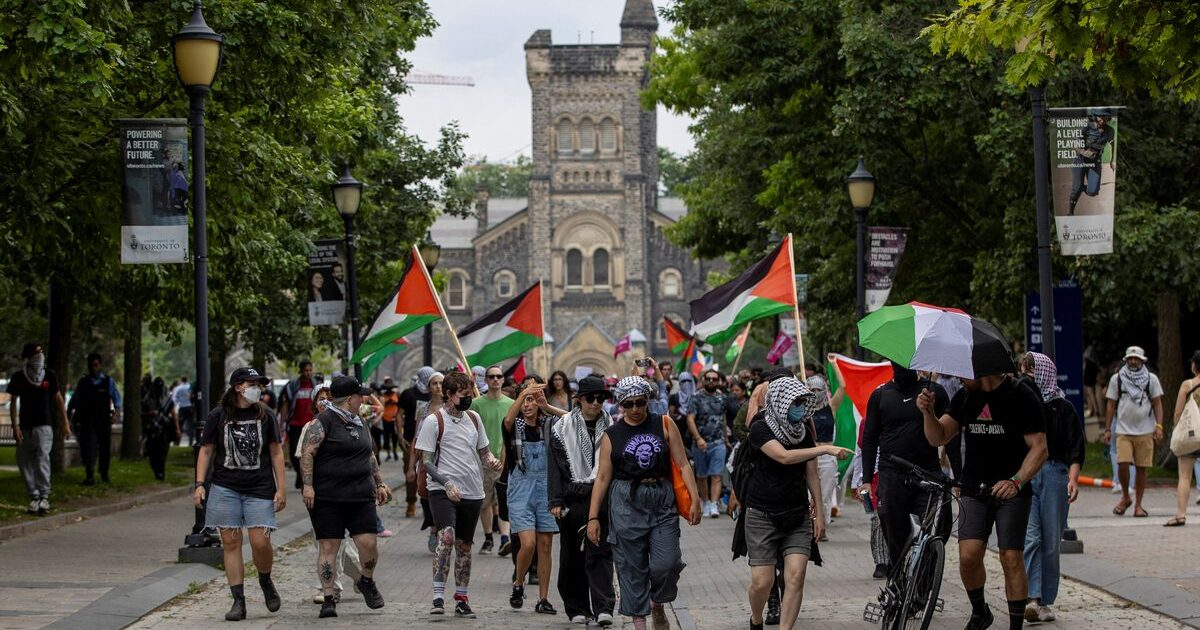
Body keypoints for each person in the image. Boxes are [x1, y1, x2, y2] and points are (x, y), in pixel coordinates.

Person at [917, 371, 1048, 630]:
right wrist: (928, 413)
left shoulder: (1021, 395)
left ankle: (1014, 626)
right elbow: (938, 437)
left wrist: (1016, 481)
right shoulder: (966, 396)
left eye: (963, 371)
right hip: (974, 487)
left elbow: (1040, 448)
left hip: (1012, 489)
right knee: (968, 556)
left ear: (982, 367)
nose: (958, 377)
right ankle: (980, 612)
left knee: (1011, 557)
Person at [588, 376, 702, 630]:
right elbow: (603, 477)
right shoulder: (612, 435)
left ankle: (658, 602)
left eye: (640, 402)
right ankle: (639, 622)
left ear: (647, 400)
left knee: (667, 563)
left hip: (661, 498)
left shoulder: (663, 423)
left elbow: (683, 463)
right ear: (621, 405)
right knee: (630, 567)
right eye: (628, 404)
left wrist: (695, 499)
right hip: (625, 501)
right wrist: (593, 517)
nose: (635, 409)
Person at [741, 377, 850, 630]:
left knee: (796, 576)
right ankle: (756, 620)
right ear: (780, 402)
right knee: (762, 582)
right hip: (761, 514)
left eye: (802, 402)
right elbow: (784, 457)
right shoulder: (760, 428)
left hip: (797, 514)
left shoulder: (802, 431)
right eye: (795, 402)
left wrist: (819, 515)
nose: (799, 408)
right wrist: (825, 449)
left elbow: (811, 473)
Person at [193, 367, 287, 622]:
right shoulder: (218, 416)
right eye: (252, 383)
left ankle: (265, 579)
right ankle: (238, 601)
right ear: (238, 387)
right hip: (226, 487)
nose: (257, 387)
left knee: (260, 542)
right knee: (231, 543)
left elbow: (277, 452)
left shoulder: (265, 414)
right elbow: (206, 450)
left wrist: (281, 488)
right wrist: (200, 484)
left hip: (259, 487)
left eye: (259, 383)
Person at [299, 375, 389, 619]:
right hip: (328, 497)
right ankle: (328, 598)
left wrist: (379, 482)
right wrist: (308, 486)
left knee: (369, 544)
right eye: (361, 396)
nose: (363, 399)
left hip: (361, 495)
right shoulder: (323, 422)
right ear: (350, 399)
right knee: (329, 547)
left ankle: (366, 581)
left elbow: (369, 455)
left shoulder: (360, 422)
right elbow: (308, 454)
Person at [415, 370, 503, 618]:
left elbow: (484, 453)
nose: (468, 399)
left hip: (472, 490)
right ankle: (438, 595)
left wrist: (493, 461)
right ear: (450, 394)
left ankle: (462, 598)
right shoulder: (434, 421)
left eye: (470, 394)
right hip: (442, 490)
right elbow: (427, 461)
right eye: (463, 394)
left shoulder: (474, 418)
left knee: (464, 546)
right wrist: (446, 482)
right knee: (447, 538)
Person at [858, 363, 952, 571]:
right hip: (891, 473)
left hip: (927, 471)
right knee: (892, 525)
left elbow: (949, 435)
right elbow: (870, 438)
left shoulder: (934, 393)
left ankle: (925, 573)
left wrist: (958, 476)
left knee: (938, 526)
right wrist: (866, 479)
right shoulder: (880, 395)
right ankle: (898, 575)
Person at [1017, 352, 1085, 623]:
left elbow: (1075, 448)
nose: (1029, 378)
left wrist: (1073, 478)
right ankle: (1031, 598)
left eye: (1032, 373)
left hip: (1056, 474)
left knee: (1051, 541)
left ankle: (1045, 600)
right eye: (1025, 372)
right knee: (1031, 537)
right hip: (1027, 474)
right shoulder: (1023, 405)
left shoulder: (1063, 407)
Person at [548, 375, 616, 626]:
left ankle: (603, 607)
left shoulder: (611, 425)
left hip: (602, 496)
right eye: (591, 398)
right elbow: (554, 466)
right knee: (572, 555)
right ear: (579, 400)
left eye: (601, 398)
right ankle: (576, 607)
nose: (596, 404)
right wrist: (555, 499)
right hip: (572, 497)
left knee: (600, 551)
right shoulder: (561, 426)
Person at [503, 382, 566, 614]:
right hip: (521, 489)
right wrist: (523, 394)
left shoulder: (550, 424)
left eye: (531, 400)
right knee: (528, 543)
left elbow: (573, 420)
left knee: (545, 546)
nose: (527, 405)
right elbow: (508, 420)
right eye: (524, 401)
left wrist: (546, 406)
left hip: (546, 489)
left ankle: (543, 599)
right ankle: (518, 583)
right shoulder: (514, 426)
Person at [7, 343, 70, 515]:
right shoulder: (19, 377)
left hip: (44, 426)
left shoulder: (49, 375)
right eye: (37, 353)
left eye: (42, 352)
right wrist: (15, 426)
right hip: (26, 426)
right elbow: (13, 403)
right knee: (24, 460)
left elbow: (58, 399)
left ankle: (44, 496)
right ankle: (33, 495)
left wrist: (65, 422)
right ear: (28, 356)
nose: (40, 356)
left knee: (42, 459)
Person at [1104, 346, 1164, 517]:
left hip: (1145, 430)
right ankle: (1125, 496)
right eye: (1130, 358)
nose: (1132, 361)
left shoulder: (1151, 379)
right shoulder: (1117, 379)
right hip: (1123, 429)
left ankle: (1138, 505)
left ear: (1142, 360)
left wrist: (1159, 426)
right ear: (1126, 359)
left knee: (1141, 468)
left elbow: (1158, 403)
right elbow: (1110, 404)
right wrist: (1108, 428)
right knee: (1122, 463)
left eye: (1136, 358)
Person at [469, 365, 513, 555]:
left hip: (505, 461)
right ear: (486, 380)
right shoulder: (476, 404)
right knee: (485, 502)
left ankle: (505, 538)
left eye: (498, 376)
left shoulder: (511, 404)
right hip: (483, 461)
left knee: (503, 501)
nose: (495, 380)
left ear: (503, 380)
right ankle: (488, 538)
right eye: (491, 377)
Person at [68, 353, 122, 486]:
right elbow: (75, 400)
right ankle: (89, 475)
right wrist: (69, 415)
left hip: (103, 420)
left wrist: (116, 414)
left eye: (96, 365)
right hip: (87, 420)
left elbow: (117, 399)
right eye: (91, 365)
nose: (94, 368)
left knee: (104, 448)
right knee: (89, 447)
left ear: (100, 365)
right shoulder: (84, 382)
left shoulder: (107, 381)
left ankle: (104, 473)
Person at [687, 368, 729, 519]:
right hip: (700, 443)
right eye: (708, 379)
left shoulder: (722, 398)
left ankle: (714, 504)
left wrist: (726, 438)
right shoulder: (695, 397)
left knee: (717, 475)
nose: (711, 381)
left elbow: (723, 418)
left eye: (714, 379)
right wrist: (698, 438)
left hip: (718, 442)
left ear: (718, 382)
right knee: (702, 475)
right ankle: (705, 502)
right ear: (703, 380)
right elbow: (690, 419)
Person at [1165, 350, 1200, 527]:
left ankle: (1181, 515)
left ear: (1194, 365)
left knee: (1185, 477)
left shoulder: (1187, 385)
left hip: (1192, 436)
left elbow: (1178, 412)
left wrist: (1177, 428)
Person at [400, 366, 435, 518]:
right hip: (411, 440)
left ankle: (427, 503)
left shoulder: (434, 396)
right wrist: (400, 436)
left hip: (432, 444)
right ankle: (411, 501)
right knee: (411, 472)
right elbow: (398, 415)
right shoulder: (408, 394)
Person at [805, 374, 840, 530]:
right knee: (808, 495)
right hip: (809, 454)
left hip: (827, 456)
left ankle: (822, 524)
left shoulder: (830, 407)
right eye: (812, 389)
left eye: (818, 389)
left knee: (825, 495)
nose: (815, 392)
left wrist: (835, 365)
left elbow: (843, 387)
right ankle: (810, 524)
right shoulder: (803, 409)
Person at [279, 361, 319, 489]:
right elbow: (285, 405)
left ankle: (303, 477)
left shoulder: (316, 386)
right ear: (300, 371)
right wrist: (282, 424)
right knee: (293, 453)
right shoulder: (291, 386)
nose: (308, 373)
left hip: (311, 424)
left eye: (310, 370)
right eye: (306, 370)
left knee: (308, 451)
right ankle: (300, 473)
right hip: (295, 423)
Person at [142, 375, 177, 480]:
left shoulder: (166, 398)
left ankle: (161, 471)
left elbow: (173, 412)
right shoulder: (148, 398)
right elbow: (142, 413)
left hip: (164, 427)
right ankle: (156, 470)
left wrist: (177, 428)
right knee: (152, 451)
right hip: (152, 428)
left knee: (163, 450)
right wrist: (150, 414)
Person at [379, 380, 400, 461]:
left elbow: (399, 404)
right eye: (387, 388)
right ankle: (388, 453)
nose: (389, 390)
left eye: (390, 388)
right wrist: (388, 402)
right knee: (386, 437)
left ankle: (394, 451)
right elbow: (382, 406)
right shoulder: (383, 396)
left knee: (395, 437)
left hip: (394, 419)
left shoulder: (396, 395)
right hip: (385, 419)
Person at [170, 376, 193, 446]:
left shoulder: (178, 388)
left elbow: (174, 398)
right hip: (189, 407)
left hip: (182, 407)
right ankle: (190, 442)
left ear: (182, 380)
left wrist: (178, 403)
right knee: (190, 425)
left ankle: (177, 442)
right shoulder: (189, 386)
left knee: (180, 424)